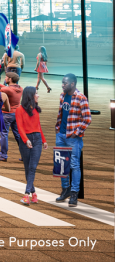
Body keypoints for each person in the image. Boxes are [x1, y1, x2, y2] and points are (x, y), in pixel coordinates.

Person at [54, 73, 90, 207]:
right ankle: (65, 190)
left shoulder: (81, 98)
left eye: (65, 83)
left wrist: (76, 133)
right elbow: (61, 114)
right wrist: (58, 128)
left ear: (72, 84)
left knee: (74, 165)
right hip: (61, 135)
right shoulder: (62, 96)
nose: (62, 85)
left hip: (73, 138)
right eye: (62, 82)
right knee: (61, 165)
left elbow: (87, 119)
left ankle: (74, 193)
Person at [16, 85, 43, 205]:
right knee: (28, 168)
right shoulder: (19, 109)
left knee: (32, 167)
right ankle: (34, 193)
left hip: (37, 139)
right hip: (25, 139)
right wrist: (26, 139)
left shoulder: (36, 109)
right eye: (36, 93)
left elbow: (39, 126)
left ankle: (27, 194)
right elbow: (19, 127)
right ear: (30, 96)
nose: (38, 95)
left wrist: (44, 140)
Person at [0, 72, 23, 163]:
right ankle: (24, 154)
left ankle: (3, 155)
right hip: (17, 113)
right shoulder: (20, 88)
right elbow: (6, 87)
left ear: (10, 79)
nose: (5, 78)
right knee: (18, 134)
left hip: (6, 114)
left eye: (6, 77)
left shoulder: (6, 90)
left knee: (4, 134)